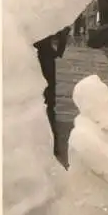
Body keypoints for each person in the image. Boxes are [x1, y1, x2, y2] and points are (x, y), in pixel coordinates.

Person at [33, 26, 70, 158]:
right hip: (46, 57)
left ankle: (51, 143)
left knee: (46, 102)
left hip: (40, 57)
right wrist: (58, 51)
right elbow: (65, 29)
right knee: (49, 103)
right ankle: (53, 144)